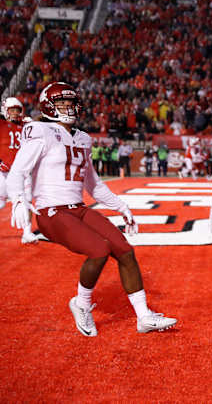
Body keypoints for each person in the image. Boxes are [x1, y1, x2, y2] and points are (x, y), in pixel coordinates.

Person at [7, 82, 176, 336]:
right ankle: (81, 304)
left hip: (78, 208)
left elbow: (93, 184)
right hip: (51, 211)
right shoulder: (38, 129)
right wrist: (18, 199)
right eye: (63, 102)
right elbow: (17, 171)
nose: (70, 107)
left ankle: (143, 317)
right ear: (48, 105)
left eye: (72, 102)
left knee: (125, 250)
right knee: (99, 250)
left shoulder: (83, 138)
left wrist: (122, 206)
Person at [0, 97, 39, 244]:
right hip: (3, 172)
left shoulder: (26, 125)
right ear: (5, 110)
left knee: (27, 200)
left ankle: (27, 232)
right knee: (1, 203)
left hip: (22, 172)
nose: (15, 113)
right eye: (12, 110)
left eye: (18, 110)